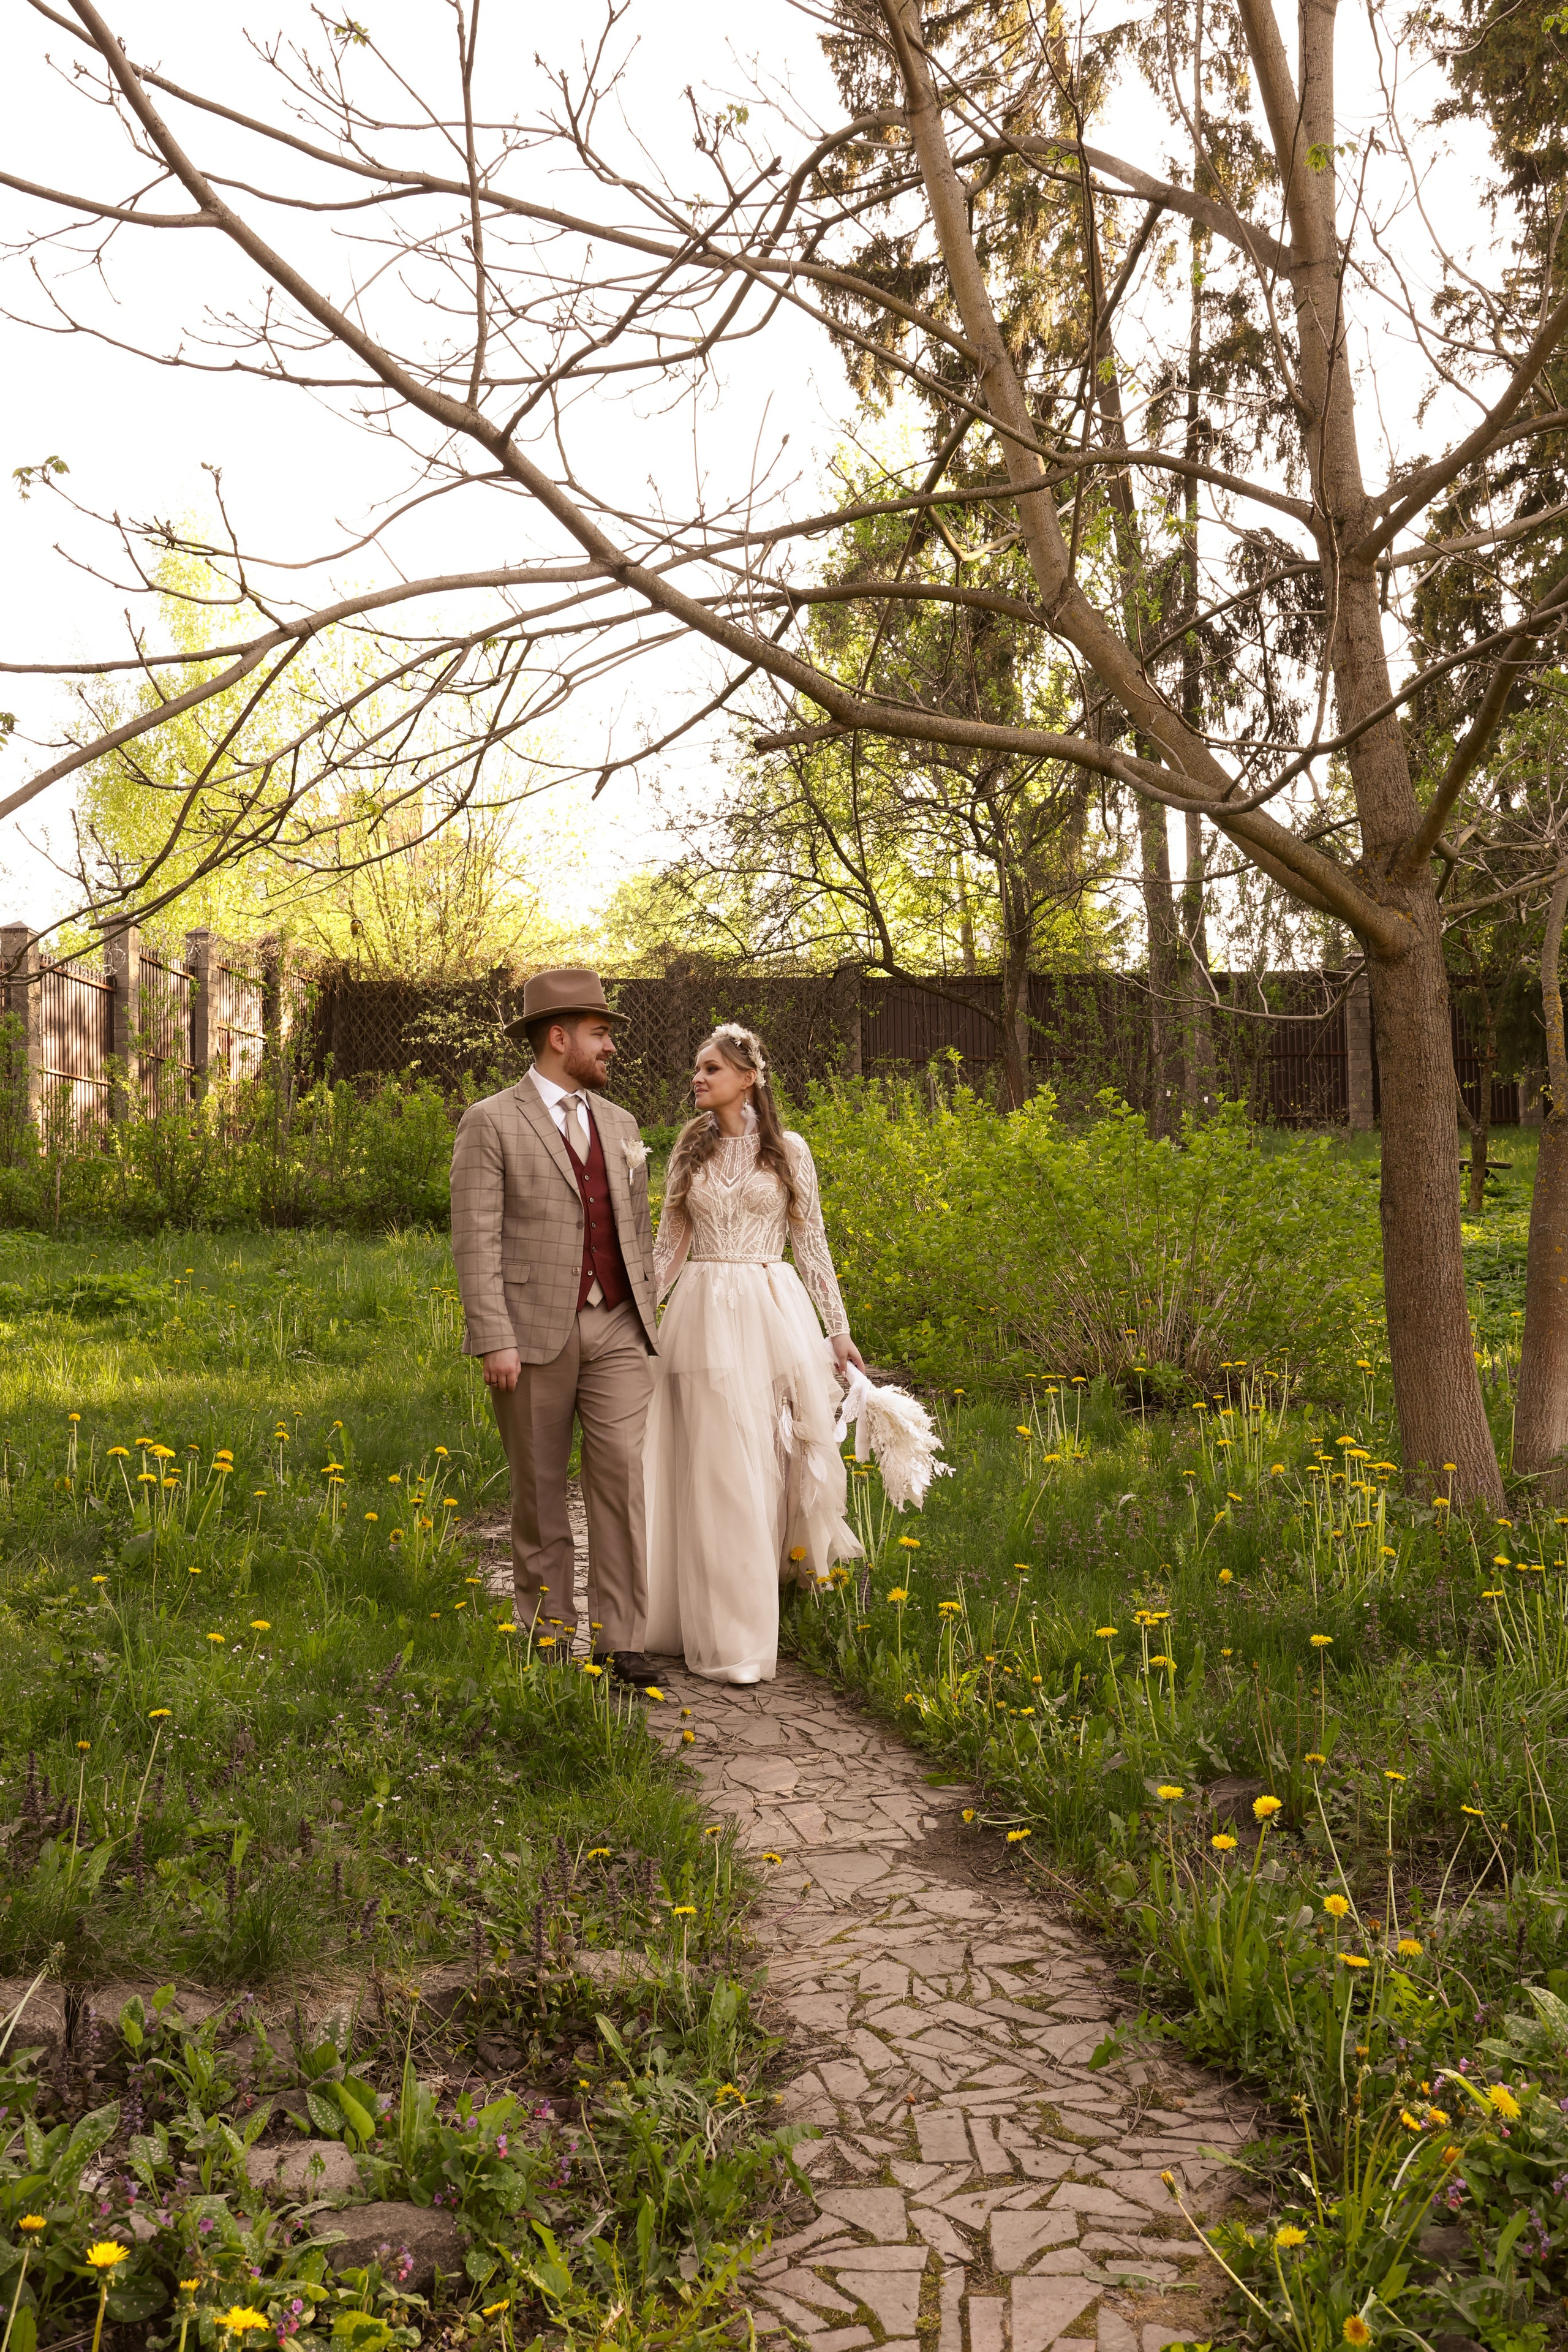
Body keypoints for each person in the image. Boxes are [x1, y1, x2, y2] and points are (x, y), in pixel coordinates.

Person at [449, 968, 662, 1687]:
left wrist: (646, 1319)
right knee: (539, 1490)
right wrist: (493, 1334)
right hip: (532, 1331)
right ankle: (546, 1637)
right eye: (600, 1035)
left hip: (619, 1327)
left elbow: (635, 1231)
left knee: (622, 1481)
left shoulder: (622, 1124)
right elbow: (474, 1235)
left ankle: (620, 1639)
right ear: (558, 1037)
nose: (611, 1049)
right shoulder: (490, 1120)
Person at [644, 1022, 865, 1684]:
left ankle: (773, 1597)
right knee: (717, 1465)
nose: (698, 1078)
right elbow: (666, 1249)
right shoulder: (688, 1148)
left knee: (774, 1461)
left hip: (773, 1307)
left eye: (711, 1069)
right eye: (695, 1069)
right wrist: (635, 1319)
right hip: (703, 1309)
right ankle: (718, 1630)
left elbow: (813, 1244)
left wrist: (837, 1329)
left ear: (748, 1078)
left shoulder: (788, 1150)